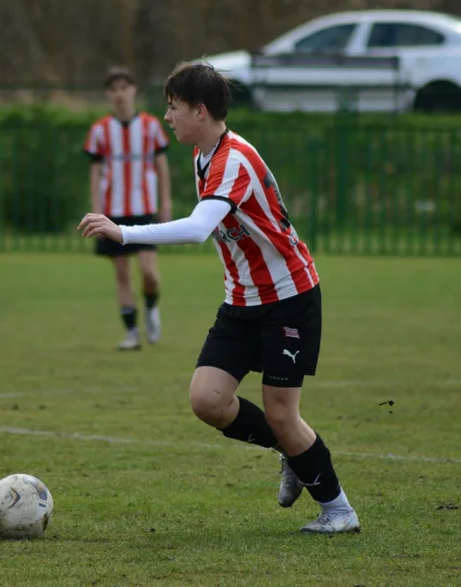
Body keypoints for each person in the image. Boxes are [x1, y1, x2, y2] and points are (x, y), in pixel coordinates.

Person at [78, 61, 360, 534]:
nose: (167, 117)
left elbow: (196, 229)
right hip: (243, 301)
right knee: (207, 400)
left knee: (281, 413)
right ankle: (290, 451)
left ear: (200, 111)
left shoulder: (233, 160)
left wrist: (121, 231)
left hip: (288, 298)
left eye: (173, 107)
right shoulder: (202, 154)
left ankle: (338, 509)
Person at [84, 67, 172, 350]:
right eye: (113, 89)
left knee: (148, 271)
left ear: (134, 90)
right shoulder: (100, 130)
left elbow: (161, 166)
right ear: (108, 94)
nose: (119, 94)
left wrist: (166, 203)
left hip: (143, 207)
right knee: (122, 272)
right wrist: (97, 211)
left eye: (124, 87)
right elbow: (96, 173)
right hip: (113, 210)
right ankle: (132, 333)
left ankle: (151, 306)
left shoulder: (150, 126)